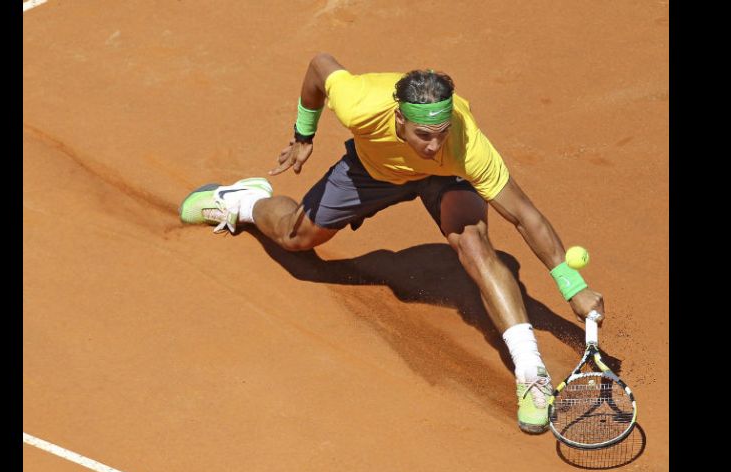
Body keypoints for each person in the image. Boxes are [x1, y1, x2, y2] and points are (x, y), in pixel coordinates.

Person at [179, 52, 604, 434]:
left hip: (446, 181)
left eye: (441, 132)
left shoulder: (465, 145)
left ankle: (532, 377)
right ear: (399, 120)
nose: (434, 144)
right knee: (296, 238)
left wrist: (572, 286)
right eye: (423, 135)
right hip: (372, 171)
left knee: (475, 245)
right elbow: (318, 65)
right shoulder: (360, 103)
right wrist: (304, 134)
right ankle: (244, 202)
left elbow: (525, 215)